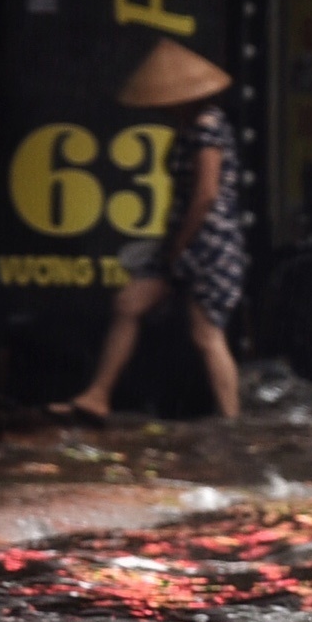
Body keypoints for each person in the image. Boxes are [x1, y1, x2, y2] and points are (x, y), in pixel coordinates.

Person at [53, 40, 244, 420]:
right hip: (185, 242)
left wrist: (180, 246)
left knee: (206, 334)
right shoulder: (193, 127)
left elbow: (205, 194)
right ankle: (97, 395)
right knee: (129, 303)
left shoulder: (206, 127)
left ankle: (232, 419)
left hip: (206, 245)